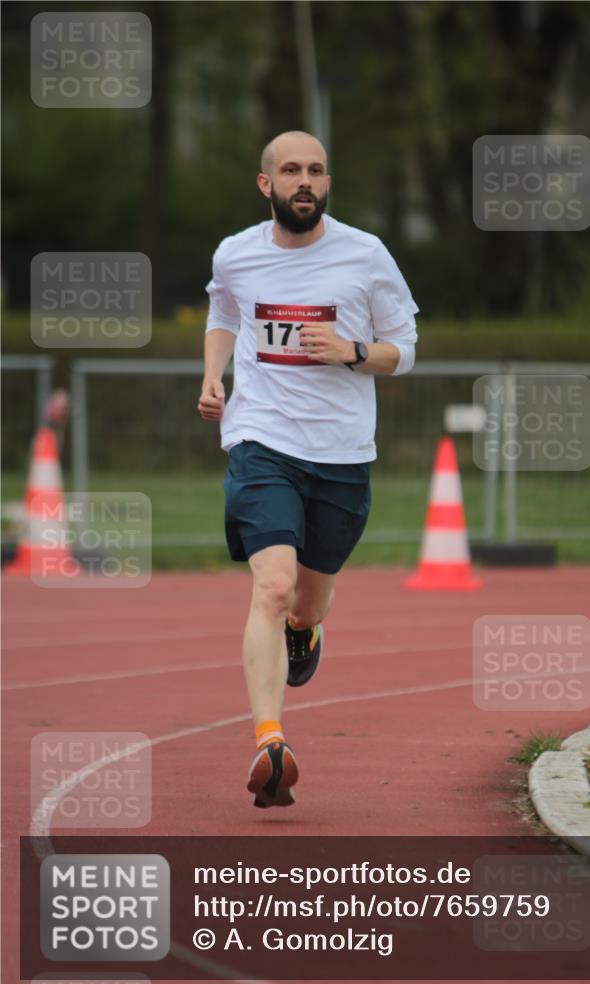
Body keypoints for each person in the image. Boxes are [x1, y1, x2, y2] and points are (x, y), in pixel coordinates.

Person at [198, 131, 418, 808]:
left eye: (315, 170)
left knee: (306, 599)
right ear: (265, 184)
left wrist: (352, 350)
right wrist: (213, 376)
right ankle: (269, 741)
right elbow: (223, 308)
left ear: (326, 184)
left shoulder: (364, 254)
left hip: (341, 454)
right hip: (262, 440)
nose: (304, 181)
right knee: (271, 584)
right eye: (290, 170)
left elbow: (404, 350)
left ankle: (305, 629)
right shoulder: (236, 253)